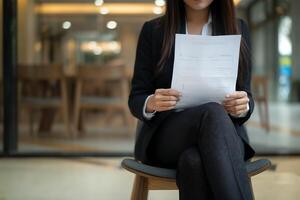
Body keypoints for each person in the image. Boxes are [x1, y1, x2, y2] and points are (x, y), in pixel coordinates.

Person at [128, 0, 255, 199]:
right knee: (212, 111)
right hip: (169, 136)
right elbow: (136, 97)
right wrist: (152, 102)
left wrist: (242, 106)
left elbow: (246, 93)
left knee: (193, 161)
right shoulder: (153, 30)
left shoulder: (238, 28)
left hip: (223, 134)